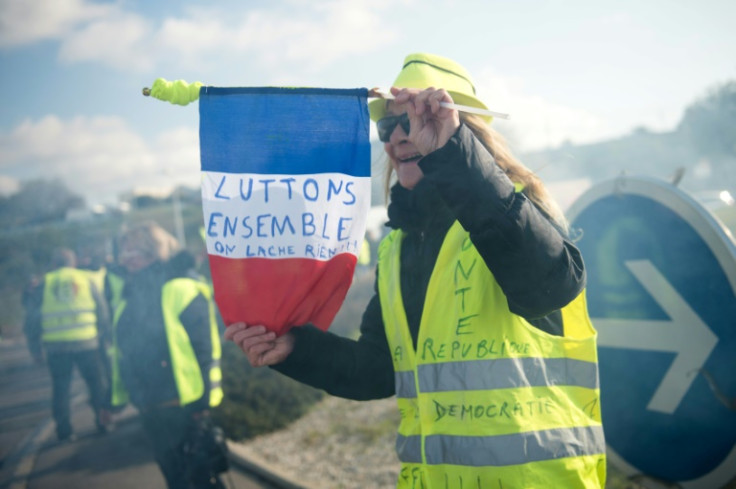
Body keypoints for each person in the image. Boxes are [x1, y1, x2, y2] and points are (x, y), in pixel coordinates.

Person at [226, 53, 606, 489]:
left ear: (464, 131)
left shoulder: (513, 211)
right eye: (388, 127)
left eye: (415, 121)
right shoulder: (398, 248)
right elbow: (377, 370)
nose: (397, 138)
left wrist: (451, 155)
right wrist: (294, 348)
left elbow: (551, 286)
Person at [109, 221, 227, 489]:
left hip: (184, 405)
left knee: (201, 479)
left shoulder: (182, 287)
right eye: (122, 254)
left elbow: (205, 349)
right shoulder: (129, 293)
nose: (124, 260)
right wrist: (116, 399)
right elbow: (124, 351)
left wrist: (203, 404)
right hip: (150, 406)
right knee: (176, 480)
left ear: (154, 252)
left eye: (131, 253)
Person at [23, 247, 112, 441]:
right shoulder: (85, 279)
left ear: (54, 264)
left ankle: (64, 431)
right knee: (97, 385)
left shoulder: (44, 283)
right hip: (87, 342)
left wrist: (35, 349)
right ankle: (103, 421)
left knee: (61, 389)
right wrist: (104, 335)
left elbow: (32, 320)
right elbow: (102, 309)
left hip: (56, 347)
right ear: (74, 262)